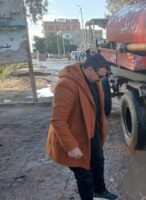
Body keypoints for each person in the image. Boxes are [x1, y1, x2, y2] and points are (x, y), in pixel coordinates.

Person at [46, 54, 118, 200]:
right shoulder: (66, 84)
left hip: (92, 131)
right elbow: (58, 120)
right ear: (90, 69)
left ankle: (100, 191)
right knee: (84, 174)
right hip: (75, 137)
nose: (100, 80)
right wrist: (71, 146)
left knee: (98, 162)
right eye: (99, 76)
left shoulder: (93, 79)